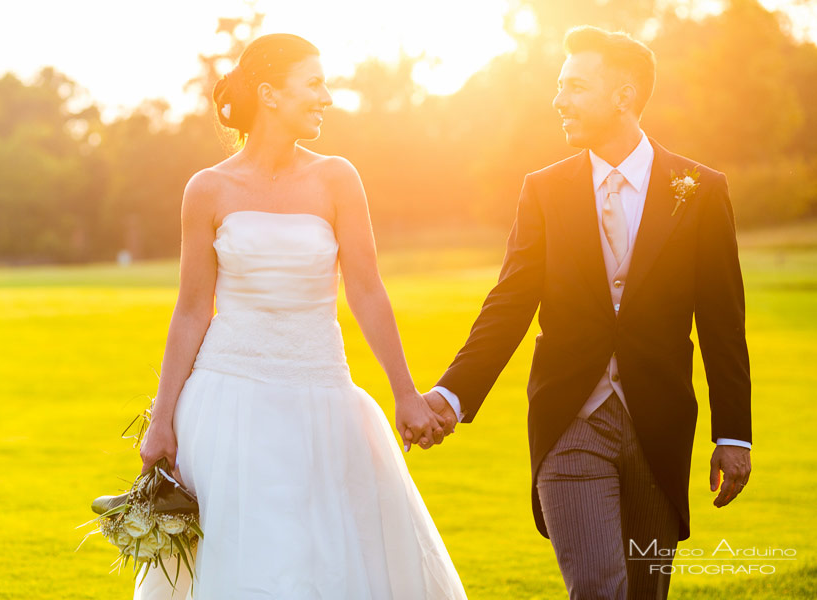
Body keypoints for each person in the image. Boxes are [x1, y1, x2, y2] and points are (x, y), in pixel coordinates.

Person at [421, 26, 752, 599]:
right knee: (598, 587)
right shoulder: (544, 191)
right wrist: (451, 395)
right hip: (569, 421)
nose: (559, 100)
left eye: (574, 86)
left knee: (646, 591)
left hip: (660, 425)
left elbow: (723, 321)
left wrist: (734, 435)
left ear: (623, 96)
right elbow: (509, 305)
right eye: (559, 85)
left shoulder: (700, 190)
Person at [133, 33, 466, 599]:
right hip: (227, 400)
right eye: (314, 84)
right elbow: (192, 310)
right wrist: (162, 418)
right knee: (246, 557)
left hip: (322, 395)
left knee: (325, 559)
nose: (327, 97)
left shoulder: (338, 178)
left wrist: (405, 393)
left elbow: (366, 291)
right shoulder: (207, 189)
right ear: (269, 94)